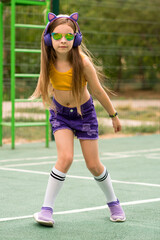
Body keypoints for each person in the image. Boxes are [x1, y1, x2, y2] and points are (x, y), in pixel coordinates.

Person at [32, 12, 126, 227]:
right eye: (57, 36)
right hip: (60, 115)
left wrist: (114, 116)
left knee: (93, 165)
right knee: (65, 158)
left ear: (77, 38)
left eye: (68, 36)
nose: (63, 40)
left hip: (84, 114)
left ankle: (114, 203)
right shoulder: (48, 60)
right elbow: (45, 87)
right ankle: (46, 210)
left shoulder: (82, 63)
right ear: (48, 38)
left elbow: (99, 92)